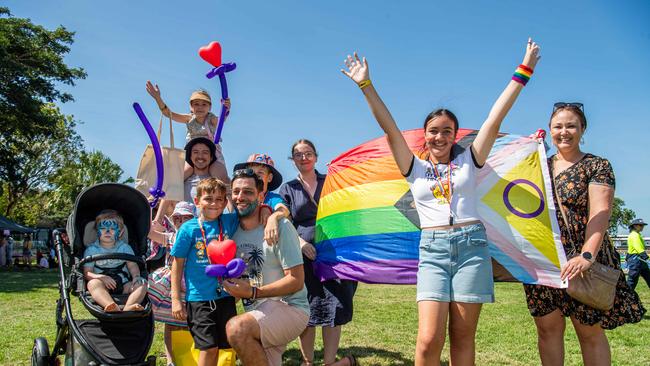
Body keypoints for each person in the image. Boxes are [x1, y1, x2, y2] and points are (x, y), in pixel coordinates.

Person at [341, 39, 540, 365]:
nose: (440, 136)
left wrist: (524, 70)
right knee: (428, 339)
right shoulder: (414, 167)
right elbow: (389, 128)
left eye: (447, 131)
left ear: (454, 135)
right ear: (426, 134)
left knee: (462, 338)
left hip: (472, 248)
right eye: (434, 131)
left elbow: (494, 118)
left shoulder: (470, 160)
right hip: (432, 250)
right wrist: (366, 85)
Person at [523, 103, 645, 365]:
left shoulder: (597, 165)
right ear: (549, 130)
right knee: (547, 331)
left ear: (582, 129)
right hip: (545, 260)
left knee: (589, 332)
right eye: (558, 126)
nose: (564, 132)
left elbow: (600, 213)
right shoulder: (537, 165)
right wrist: (526, 153)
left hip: (583, 259)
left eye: (571, 126)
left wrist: (586, 256)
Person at [279, 139, 358, 366]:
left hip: (335, 255)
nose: (303, 158)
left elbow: (347, 212)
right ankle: (307, 361)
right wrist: (301, 243)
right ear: (292, 159)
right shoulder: (288, 188)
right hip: (302, 256)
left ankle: (330, 361)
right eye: (298, 154)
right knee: (308, 308)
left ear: (316, 156)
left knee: (335, 305)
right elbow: (285, 222)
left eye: (308, 153)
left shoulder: (332, 182)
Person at [223, 169, 309, 366]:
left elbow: (296, 280)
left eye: (248, 192)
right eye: (236, 192)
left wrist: (253, 292)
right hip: (258, 311)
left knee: (237, 329)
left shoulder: (281, 227)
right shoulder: (231, 232)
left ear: (261, 195)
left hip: (291, 309)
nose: (240, 197)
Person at [170, 178, 239, 366]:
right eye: (208, 199)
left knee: (222, 346)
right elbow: (177, 265)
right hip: (199, 298)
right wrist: (176, 299)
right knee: (208, 347)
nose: (214, 204)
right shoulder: (188, 229)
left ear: (225, 202)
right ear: (197, 201)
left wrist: (269, 212)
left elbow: (251, 210)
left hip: (225, 296)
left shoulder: (229, 221)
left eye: (219, 199)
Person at [146, 82, 231, 183]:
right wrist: (157, 98)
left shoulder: (211, 119)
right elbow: (168, 114)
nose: (200, 107)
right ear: (191, 107)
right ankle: (162, 196)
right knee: (178, 178)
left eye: (204, 104)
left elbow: (221, 121)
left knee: (222, 178)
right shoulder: (189, 118)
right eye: (196, 104)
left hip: (212, 154)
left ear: (210, 107)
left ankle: (228, 197)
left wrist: (226, 109)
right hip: (193, 155)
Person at [147, 201, 195, 366]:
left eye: (186, 218)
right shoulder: (172, 237)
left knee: (190, 322)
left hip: (191, 283)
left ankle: (188, 356)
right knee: (170, 322)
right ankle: (170, 360)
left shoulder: (198, 237)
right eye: (177, 219)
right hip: (172, 284)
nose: (181, 222)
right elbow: (150, 233)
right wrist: (147, 208)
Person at [83, 210, 148, 312]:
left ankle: (129, 306)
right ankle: (110, 305)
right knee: (92, 284)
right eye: (103, 228)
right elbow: (87, 273)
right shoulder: (91, 250)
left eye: (113, 229)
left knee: (142, 284)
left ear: (121, 232)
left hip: (124, 284)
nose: (107, 231)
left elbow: (132, 266)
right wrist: (100, 277)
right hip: (103, 284)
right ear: (97, 231)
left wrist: (136, 277)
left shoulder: (125, 248)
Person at [233, 154, 291, 245]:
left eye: (260, 173)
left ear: (270, 178)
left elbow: (284, 209)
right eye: (251, 171)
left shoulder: (272, 198)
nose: (256, 176)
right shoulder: (239, 198)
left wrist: (273, 217)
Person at [625, 218, 649, 290]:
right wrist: (644, 255)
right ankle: (627, 296)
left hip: (639, 260)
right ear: (635, 226)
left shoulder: (637, 234)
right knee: (632, 280)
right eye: (640, 225)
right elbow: (637, 247)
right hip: (636, 259)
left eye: (642, 225)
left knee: (648, 277)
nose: (642, 227)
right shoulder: (634, 235)